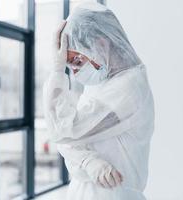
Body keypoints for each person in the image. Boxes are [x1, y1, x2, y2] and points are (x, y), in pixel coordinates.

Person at [42, 2, 155, 200]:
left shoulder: (127, 88)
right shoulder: (101, 81)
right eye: (70, 67)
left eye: (77, 62)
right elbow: (65, 137)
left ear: (101, 45)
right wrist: (88, 161)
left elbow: (62, 131)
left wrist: (57, 71)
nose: (76, 73)